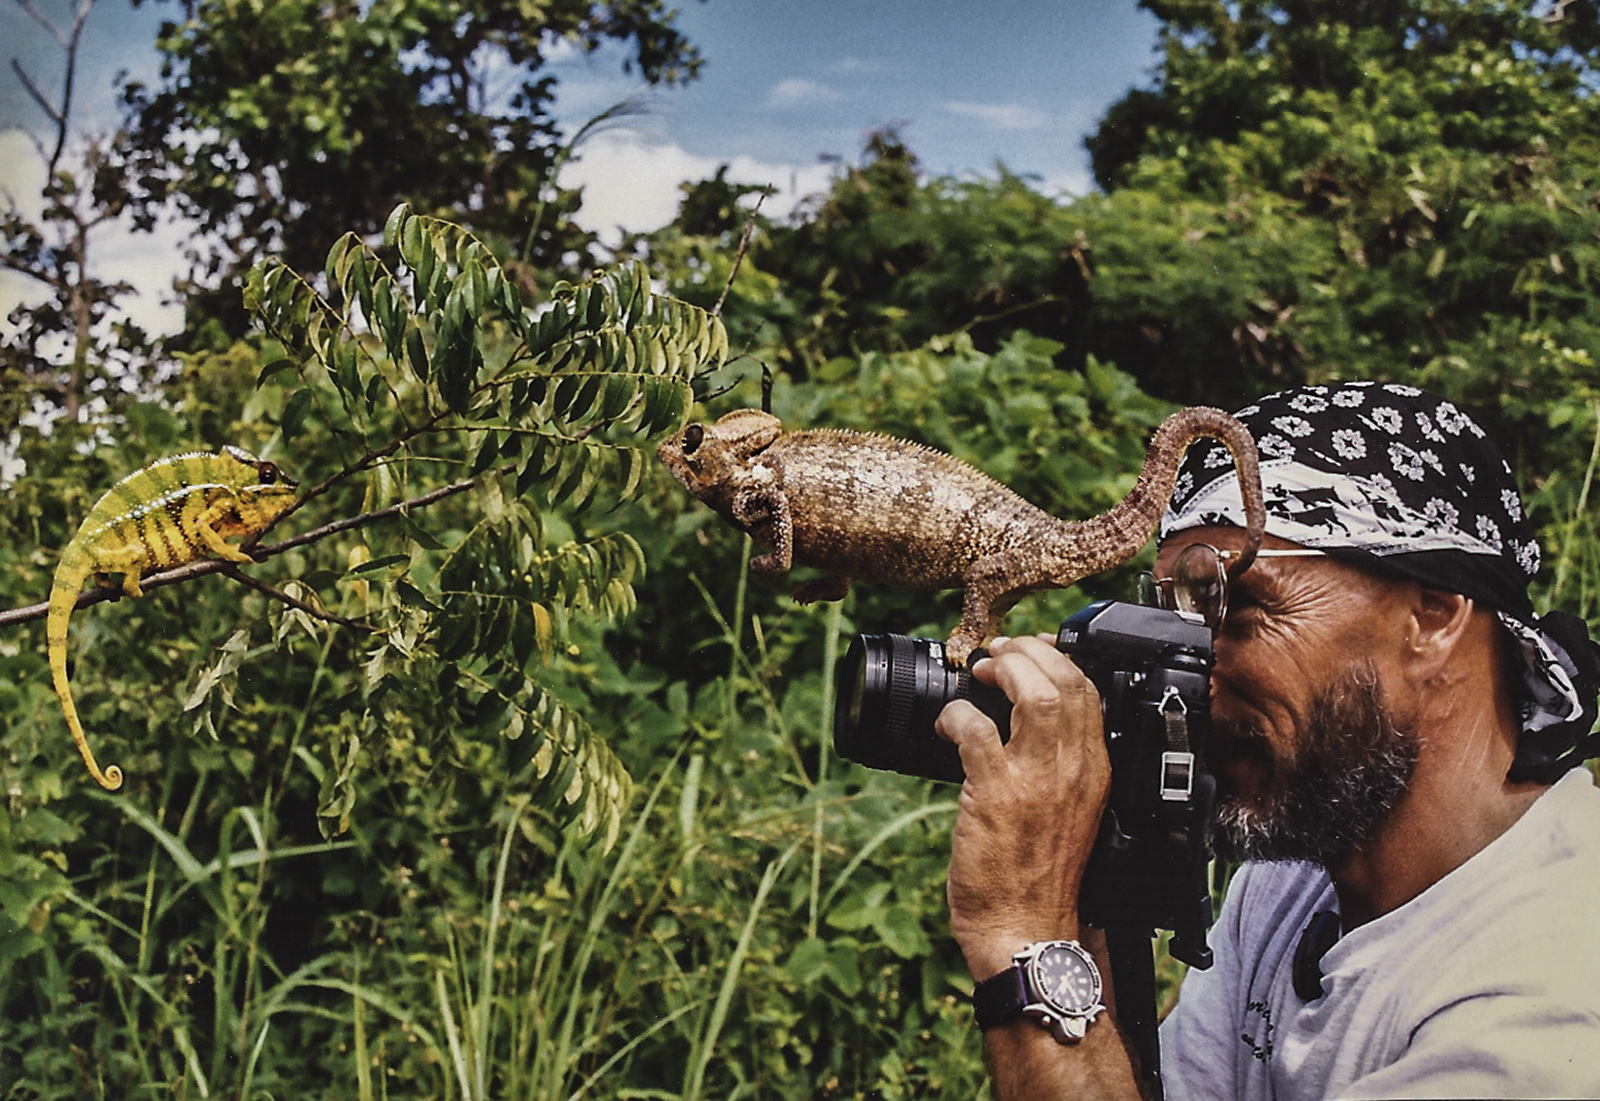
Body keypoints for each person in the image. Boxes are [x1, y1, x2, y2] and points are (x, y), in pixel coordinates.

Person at [936, 382, 1600, 1100]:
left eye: (1238, 604)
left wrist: (1026, 937)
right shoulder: (1294, 877)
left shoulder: (1553, 985)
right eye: (1179, 617)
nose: (1194, 672)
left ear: (1433, 617)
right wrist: (1078, 903)